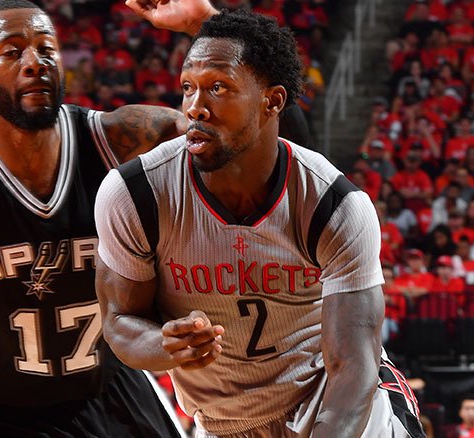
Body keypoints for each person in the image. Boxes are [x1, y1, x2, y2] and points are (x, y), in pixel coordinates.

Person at [0, 0, 312, 436]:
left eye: (46, 48)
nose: (35, 62)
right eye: (12, 52)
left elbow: (271, 154)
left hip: (114, 392)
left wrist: (205, 22)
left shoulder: (122, 140)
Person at [94, 8, 425, 438]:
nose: (195, 108)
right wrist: (163, 344)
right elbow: (119, 321)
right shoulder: (135, 193)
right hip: (224, 422)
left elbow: (352, 366)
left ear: (273, 101)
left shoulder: (335, 204)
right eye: (188, 87)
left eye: (218, 88)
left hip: (329, 402)